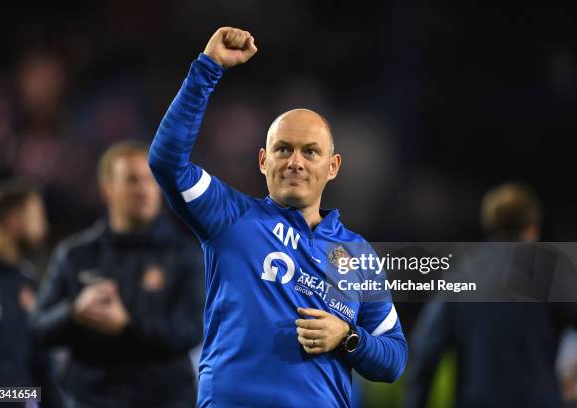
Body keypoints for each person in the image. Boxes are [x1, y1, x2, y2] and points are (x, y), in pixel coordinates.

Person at [148, 27, 408, 407]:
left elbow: (394, 358)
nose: (295, 162)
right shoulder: (229, 216)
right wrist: (208, 68)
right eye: (283, 149)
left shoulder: (357, 254)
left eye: (310, 152)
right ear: (263, 160)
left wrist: (348, 337)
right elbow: (167, 162)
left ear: (333, 166)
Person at [31, 141, 204, 408]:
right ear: (107, 190)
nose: (144, 189)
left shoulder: (184, 254)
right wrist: (74, 312)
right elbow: (39, 326)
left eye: (150, 180)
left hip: (164, 400)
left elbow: (192, 329)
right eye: (132, 180)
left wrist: (127, 327)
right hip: (92, 399)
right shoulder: (77, 254)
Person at [404, 183, 577, 408]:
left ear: (490, 223)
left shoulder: (463, 272)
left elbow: (426, 349)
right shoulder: (550, 270)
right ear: (533, 226)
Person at [0, 180, 61, 407]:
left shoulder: (27, 282)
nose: (44, 226)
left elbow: (40, 361)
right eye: (37, 217)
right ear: (14, 220)